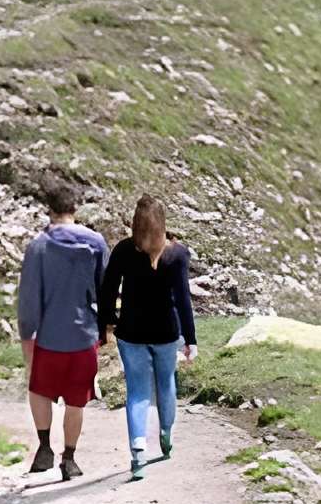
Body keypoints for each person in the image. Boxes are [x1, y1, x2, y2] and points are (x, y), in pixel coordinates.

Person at [97, 194, 197, 482]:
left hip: (131, 333)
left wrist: (106, 324)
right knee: (166, 383)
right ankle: (166, 434)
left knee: (137, 391)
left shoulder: (124, 250)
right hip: (166, 333)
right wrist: (190, 339)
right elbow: (183, 299)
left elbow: (108, 290)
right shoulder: (178, 255)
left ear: (135, 225)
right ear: (162, 224)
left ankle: (138, 451)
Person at [15, 183, 107, 480]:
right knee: (76, 400)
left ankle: (44, 448)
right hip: (84, 335)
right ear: (76, 208)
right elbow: (105, 290)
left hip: (49, 336)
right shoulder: (96, 242)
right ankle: (69, 458)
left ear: (49, 209)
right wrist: (104, 330)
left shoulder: (39, 245)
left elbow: (29, 297)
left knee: (39, 389)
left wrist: (26, 335)